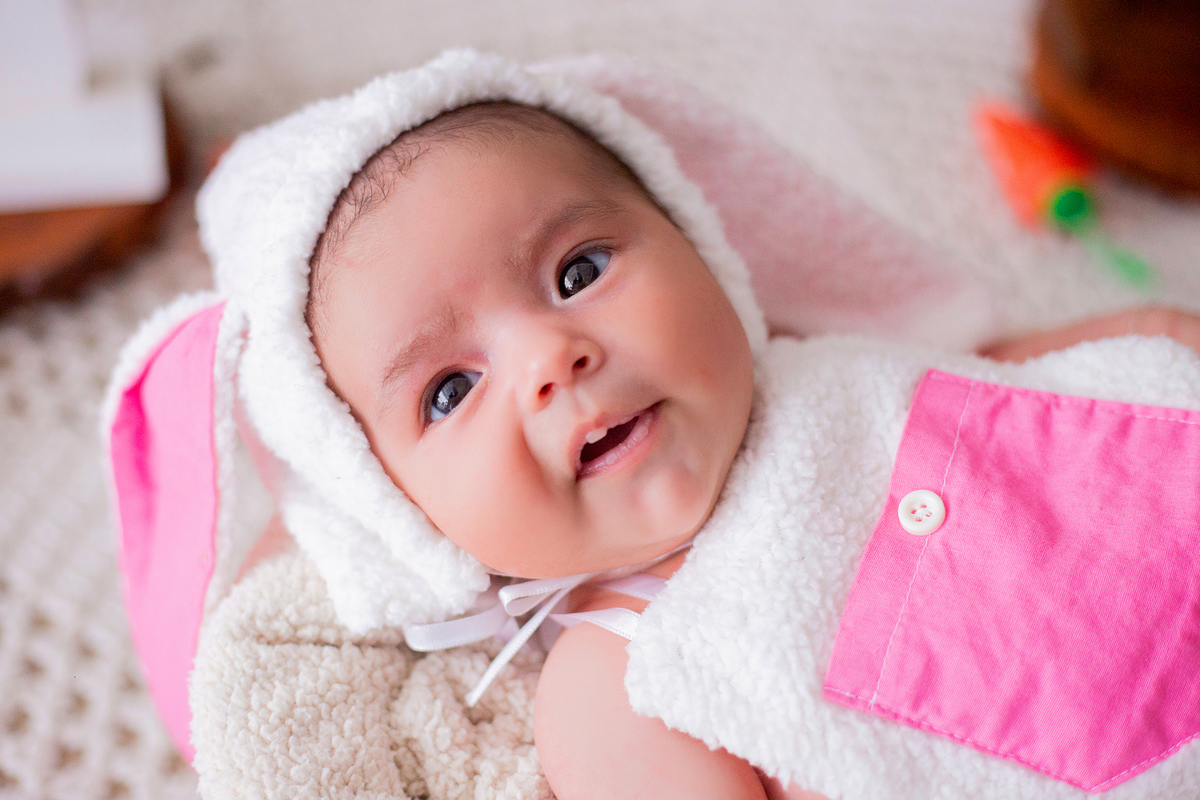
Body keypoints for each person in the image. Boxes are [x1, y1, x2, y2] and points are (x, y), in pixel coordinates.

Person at [108, 50, 1200, 799]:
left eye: (579, 270)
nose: (551, 358)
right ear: (398, 511)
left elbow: (1019, 399)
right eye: (449, 390)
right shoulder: (616, 682)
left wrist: (1143, 349)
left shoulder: (820, 366)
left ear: (705, 249)